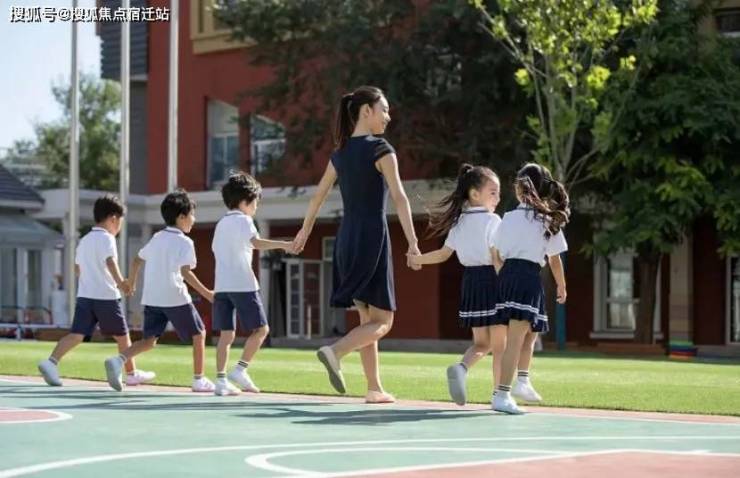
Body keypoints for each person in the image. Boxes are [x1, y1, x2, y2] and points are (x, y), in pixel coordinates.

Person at [292, 85, 421, 404]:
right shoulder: (381, 149)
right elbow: (400, 198)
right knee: (384, 321)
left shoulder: (341, 153)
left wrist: (304, 232)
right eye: (384, 110)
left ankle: (374, 387)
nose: (388, 116)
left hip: (346, 237)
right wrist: (413, 243)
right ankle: (335, 351)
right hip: (372, 236)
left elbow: (318, 196)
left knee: (367, 319)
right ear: (366, 111)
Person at [103, 190, 215, 392]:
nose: (194, 219)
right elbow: (186, 272)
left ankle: (118, 360)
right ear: (181, 217)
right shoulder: (186, 242)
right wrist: (207, 293)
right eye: (192, 214)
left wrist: (131, 282)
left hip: (152, 298)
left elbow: (137, 260)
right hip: (175, 297)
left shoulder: (156, 237)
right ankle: (199, 379)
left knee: (148, 341)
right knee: (199, 334)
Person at [38, 195, 154, 387]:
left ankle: (51, 362)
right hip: (106, 296)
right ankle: (131, 374)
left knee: (76, 335)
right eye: (120, 221)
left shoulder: (84, 240)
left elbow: (77, 269)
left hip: (85, 296)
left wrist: (90, 277)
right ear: (113, 218)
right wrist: (121, 283)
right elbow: (110, 262)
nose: (120, 226)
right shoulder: (107, 239)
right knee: (122, 336)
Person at [490, 163, 569, 414]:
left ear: (519, 188)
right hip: (527, 276)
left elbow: (496, 251)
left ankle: (522, 381)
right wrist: (562, 285)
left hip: (510, 274)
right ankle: (502, 394)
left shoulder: (509, 217)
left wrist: (503, 273)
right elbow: (555, 259)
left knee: (531, 333)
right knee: (516, 339)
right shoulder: (546, 220)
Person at [211, 172, 295, 396]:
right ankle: (240, 370)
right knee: (262, 330)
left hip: (222, 286)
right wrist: (284, 244)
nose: (256, 207)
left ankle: (221, 380)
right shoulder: (244, 220)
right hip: (243, 285)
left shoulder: (221, 223)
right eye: (256, 202)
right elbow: (256, 243)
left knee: (226, 336)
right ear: (245, 200)